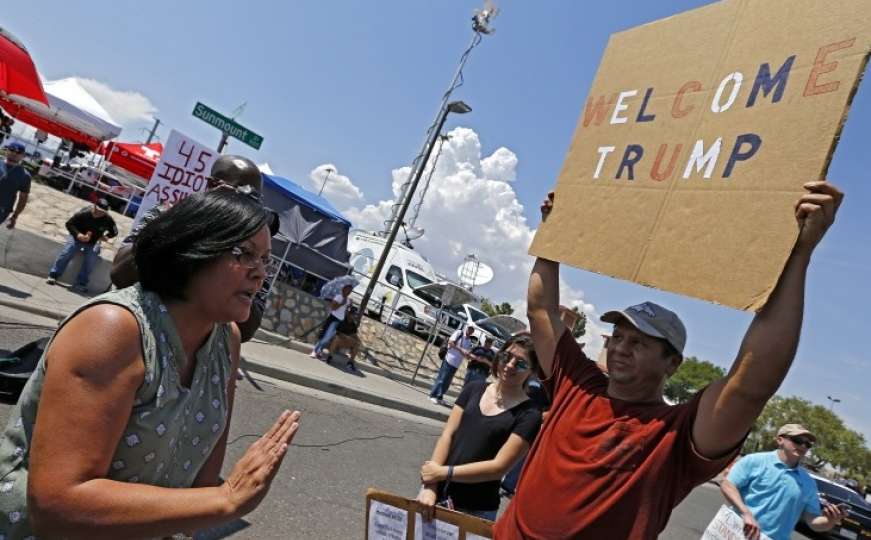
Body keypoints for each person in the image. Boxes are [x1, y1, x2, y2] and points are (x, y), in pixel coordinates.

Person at [494, 181, 844, 539]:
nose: (620, 348)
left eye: (639, 343)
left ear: (672, 364)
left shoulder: (675, 435)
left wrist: (800, 254)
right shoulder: (577, 385)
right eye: (618, 337)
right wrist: (552, 235)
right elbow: (540, 310)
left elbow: (751, 385)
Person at [0, 189, 302, 539]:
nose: (259, 273)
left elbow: (198, 489)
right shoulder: (113, 329)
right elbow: (57, 507)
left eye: (265, 260)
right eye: (244, 254)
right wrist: (228, 498)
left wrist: (217, 498)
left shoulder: (226, 340)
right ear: (192, 252)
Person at [111, 154, 278, 343]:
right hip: (139, 333)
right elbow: (120, 273)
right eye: (238, 193)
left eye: (253, 199)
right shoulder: (169, 214)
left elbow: (247, 327)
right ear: (212, 186)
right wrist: (187, 227)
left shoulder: (255, 247)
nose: (244, 206)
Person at [417, 334, 543, 521]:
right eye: (506, 357)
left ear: (532, 371)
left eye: (521, 363)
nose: (509, 365)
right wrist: (430, 486)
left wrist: (442, 472)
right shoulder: (473, 389)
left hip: (476, 511)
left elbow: (498, 468)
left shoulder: (530, 415)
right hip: (435, 496)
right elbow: (448, 435)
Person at [719, 424, 846, 540]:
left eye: (808, 445)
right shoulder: (754, 461)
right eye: (798, 441)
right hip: (736, 532)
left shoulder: (809, 483)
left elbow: (813, 522)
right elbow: (728, 485)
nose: (803, 446)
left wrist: (830, 521)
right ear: (780, 440)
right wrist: (745, 513)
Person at [46, 198, 118, 292]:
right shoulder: (84, 213)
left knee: (92, 257)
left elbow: (115, 232)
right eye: (99, 211)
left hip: (93, 242)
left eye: (103, 212)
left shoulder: (108, 219)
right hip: (77, 237)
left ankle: (81, 283)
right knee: (69, 250)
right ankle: (53, 275)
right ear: (95, 207)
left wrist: (105, 236)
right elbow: (69, 224)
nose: (101, 213)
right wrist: (78, 234)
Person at [430, 326, 476, 406]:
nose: (470, 330)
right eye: (469, 328)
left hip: (456, 364)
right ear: (466, 328)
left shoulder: (469, 341)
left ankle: (439, 397)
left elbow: (464, 353)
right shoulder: (459, 333)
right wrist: (461, 349)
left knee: (447, 382)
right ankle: (433, 395)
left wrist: (468, 355)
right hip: (449, 359)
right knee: (442, 379)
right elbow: (451, 343)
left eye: (472, 329)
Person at [310, 284, 353, 360]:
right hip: (333, 319)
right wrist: (341, 303)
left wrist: (349, 306)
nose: (349, 292)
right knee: (326, 336)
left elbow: (346, 311)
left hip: (340, 321)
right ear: (344, 289)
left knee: (329, 338)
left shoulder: (348, 300)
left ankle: (319, 351)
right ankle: (315, 351)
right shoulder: (338, 297)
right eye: (348, 290)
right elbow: (333, 308)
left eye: (350, 291)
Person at [0, 142, 31, 229]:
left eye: (18, 152)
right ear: (7, 150)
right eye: (12, 150)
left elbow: (23, 198)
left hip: (2, 210)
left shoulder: (25, 176)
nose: (14, 153)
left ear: (23, 155)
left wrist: (15, 216)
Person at [327, 305, 363, 370]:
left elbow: (354, 334)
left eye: (355, 315)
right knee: (336, 339)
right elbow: (338, 333)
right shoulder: (342, 320)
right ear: (349, 313)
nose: (354, 316)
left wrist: (358, 340)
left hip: (345, 342)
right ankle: (330, 357)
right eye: (353, 314)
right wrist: (347, 337)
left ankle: (350, 363)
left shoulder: (353, 324)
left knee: (357, 343)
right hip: (337, 340)